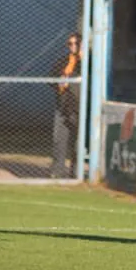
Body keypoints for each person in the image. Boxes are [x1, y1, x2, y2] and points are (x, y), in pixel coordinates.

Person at [51, 32, 82, 174]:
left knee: (78, 140)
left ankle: (76, 171)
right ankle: (58, 170)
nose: (73, 46)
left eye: (76, 43)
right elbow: (51, 76)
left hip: (78, 105)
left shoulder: (87, 61)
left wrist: (81, 58)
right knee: (59, 139)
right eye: (70, 44)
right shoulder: (63, 61)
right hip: (63, 104)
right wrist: (60, 80)